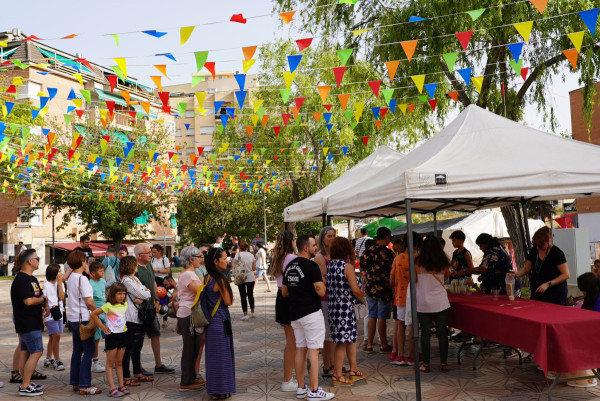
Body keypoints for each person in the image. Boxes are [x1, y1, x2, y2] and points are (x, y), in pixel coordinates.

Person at [282, 234, 334, 401]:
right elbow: (321, 291)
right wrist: (322, 283)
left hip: (295, 314)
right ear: (305, 247)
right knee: (313, 350)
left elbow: (284, 292)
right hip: (311, 313)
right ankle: (314, 390)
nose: (316, 248)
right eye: (313, 245)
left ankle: (300, 388)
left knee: (300, 348)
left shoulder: (290, 266)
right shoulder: (311, 266)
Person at [327, 237, 366, 387]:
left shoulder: (331, 265)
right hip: (346, 309)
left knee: (350, 339)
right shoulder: (346, 266)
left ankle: (353, 370)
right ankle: (337, 375)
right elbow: (355, 289)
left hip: (335, 308)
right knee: (342, 343)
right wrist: (363, 300)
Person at [134, 243, 175, 375]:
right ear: (140, 255)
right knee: (138, 338)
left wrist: (157, 300)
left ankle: (158, 364)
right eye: (148, 253)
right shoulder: (135, 269)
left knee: (155, 334)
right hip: (139, 308)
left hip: (151, 306)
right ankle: (138, 366)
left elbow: (154, 283)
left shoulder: (149, 265)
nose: (151, 255)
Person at [11, 249, 47, 396]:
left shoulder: (31, 279)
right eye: (37, 258)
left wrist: (43, 309)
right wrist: (43, 299)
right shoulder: (21, 280)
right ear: (30, 261)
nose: (39, 261)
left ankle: (26, 382)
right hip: (27, 322)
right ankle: (25, 385)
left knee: (25, 352)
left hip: (33, 321)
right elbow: (29, 300)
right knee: (37, 351)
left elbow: (37, 296)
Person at [66, 250, 102, 395]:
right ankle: (85, 385)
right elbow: (89, 301)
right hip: (84, 319)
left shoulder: (71, 278)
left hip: (74, 318)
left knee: (77, 351)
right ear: (82, 262)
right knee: (89, 351)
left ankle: (76, 382)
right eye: (85, 260)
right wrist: (99, 311)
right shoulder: (82, 279)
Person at [203, 247, 236, 399]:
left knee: (214, 358)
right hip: (221, 321)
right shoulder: (220, 279)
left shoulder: (207, 277)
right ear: (216, 262)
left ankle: (216, 389)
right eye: (224, 259)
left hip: (211, 322)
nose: (227, 260)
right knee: (223, 357)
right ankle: (222, 390)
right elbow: (228, 301)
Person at [415, 235, 451, 374]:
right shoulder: (443, 261)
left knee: (425, 333)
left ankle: (426, 364)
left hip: (423, 301)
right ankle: (444, 364)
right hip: (440, 301)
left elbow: (414, 279)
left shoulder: (417, 262)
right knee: (442, 333)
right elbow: (447, 275)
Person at [174, 246, 206, 392]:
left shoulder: (191, 273)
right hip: (188, 314)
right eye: (199, 256)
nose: (201, 258)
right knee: (189, 349)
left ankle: (191, 377)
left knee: (194, 348)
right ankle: (186, 381)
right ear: (191, 259)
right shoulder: (188, 275)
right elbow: (200, 292)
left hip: (190, 314)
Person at [513, 226, 570, 305]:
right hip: (537, 290)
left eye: (540, 246)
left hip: (555, 292)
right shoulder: (533, 251)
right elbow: (527, 269)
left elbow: (566, 275)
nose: (538, 248)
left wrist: (548, 284)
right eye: (535, 245)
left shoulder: (557, 253)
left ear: (548, 241)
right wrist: (515, 275)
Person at [90, 283, 129, 397]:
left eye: (123, 293)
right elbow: (93, 314)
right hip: (112, 336)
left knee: (119, 363)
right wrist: (102, 326)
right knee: (110, 363)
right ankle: (112, 388)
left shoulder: (125, 304)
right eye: (119, 294)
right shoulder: (108, 306)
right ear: (113, 294)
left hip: (123, 335)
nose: (122, 296)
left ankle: (121, 385)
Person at [360, 227, 394, 353]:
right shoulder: (389, 253)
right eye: (389, 237)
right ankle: (383, 344)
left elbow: (362, 268)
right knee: (382, 317)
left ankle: (369, 344)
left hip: (370, 288)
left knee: (372, 314)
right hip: (384, 288)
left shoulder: (368, 251)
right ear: (386, 237)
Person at [390, 232, 422, 366]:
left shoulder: (397, 258)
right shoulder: (418, 259)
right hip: (414, 297)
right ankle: (411, 357)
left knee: (400, 326)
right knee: (413, 326)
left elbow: (391, 280)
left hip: (400, 297)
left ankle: (400, 356)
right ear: (416, 244)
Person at [271, 231, 298, 391]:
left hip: (280, 298)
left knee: (291, 341)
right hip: (289, 298)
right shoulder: (292, 259)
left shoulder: (278, 258)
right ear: (291, 242)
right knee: (293, 342)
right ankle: (287, 380)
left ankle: (289, 378)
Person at [120, 255, 151, 387]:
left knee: (137, 347)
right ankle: (126, 376)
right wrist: (144, 295)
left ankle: (137, 372)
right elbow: (145, 293)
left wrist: (144, 296)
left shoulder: (135, 279)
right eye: (136, 264)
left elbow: (146, 291)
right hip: (131, 318)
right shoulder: (127, 281)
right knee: (129, 348)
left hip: (140, 317)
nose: (137, 266)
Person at [456, 234, 521, 295]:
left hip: (504, 286)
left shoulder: (493, 252)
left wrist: (465, 271)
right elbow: (492, 267)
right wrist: (484, 276)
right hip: (506, 284)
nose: (480, 248)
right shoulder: (497, 249)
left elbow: (483, 269)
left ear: (486, 243)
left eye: (480, 246)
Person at [314, 226, 336, 377]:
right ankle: (328, 366)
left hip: (336, 298)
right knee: (328, 334)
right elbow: (323, 279)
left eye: (334, 235)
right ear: (323, 238)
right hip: (326, 299)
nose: (332, 238)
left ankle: (334, 363)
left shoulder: (336, 253)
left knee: (334, 334)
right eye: (329, 236)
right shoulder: (320, 256)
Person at [43, 264, 66, 371]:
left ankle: (48, 359)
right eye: (59, 271)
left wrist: (60, 284)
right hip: (49, 314)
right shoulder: (46, 285)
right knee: (56, 335)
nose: (61, 273)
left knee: (53, 337)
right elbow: (44, 301)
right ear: (54, 273)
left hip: (58, 313)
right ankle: (57, 360)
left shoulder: (60, 284)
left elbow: (61, 297)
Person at [88, 261, 107, 374]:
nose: (103, 273)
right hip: (95, 313)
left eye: (103, 270)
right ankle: (95, 362)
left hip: (105, 312)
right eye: (100, 271)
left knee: (108, 335)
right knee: (96, 338)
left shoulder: (103, 281)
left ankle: (111, 359)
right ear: (93, 273)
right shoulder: (90, 284)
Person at [234, 239, 256, 320]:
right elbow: (254, 268)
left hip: (241, 277)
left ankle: (245, 314)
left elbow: (236, 266)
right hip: (250, 276)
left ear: (239, 247)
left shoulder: (238, 255)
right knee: (250, 294)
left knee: (243, 295)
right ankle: (253, 312)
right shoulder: (251, 255)